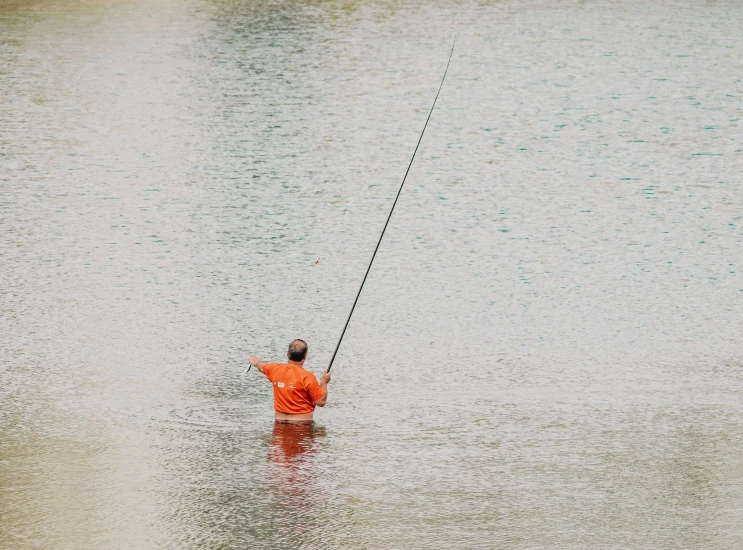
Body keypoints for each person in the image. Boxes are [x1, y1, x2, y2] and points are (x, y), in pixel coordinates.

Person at [247, 339, 331, 423]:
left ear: (287, 354)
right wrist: (323, 382)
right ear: (305, 357)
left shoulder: (275, 370)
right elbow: (321, 401)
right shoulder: (308, 377)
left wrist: (256, 362)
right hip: (302, 425)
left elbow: (262, 366)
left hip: (279, 423)